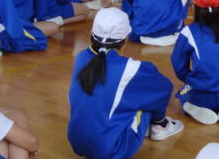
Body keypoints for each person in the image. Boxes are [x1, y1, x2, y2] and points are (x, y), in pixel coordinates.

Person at [67, 8, 184, 159]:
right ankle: (161, 125)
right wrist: (159, 117)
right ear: (125, 40)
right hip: (113, 150)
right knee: (146, 94)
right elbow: (165, 88)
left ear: (91, 34)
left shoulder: (80, 58)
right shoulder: (132, 68)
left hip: (77, 143)